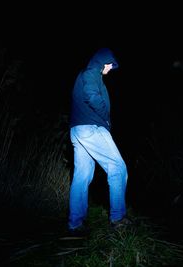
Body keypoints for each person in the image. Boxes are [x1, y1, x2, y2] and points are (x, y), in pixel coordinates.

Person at [68, 48, 131, 235]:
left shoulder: (87, 74)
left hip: (78, 130)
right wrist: (106, 119)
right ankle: (118, 219)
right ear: (102, 61)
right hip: (92, 128)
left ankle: (75, 224)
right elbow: (91, 95)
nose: (111, 68)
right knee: (118, 168)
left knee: (82, 176)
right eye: (110, 64)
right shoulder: (92, 72)